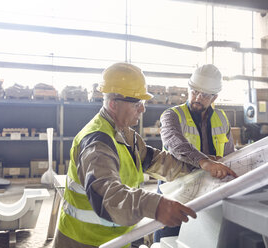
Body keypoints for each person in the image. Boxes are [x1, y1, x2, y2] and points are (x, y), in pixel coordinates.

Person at [54, 62, 199, 248]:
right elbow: (108, 198)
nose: (143, 109)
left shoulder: (125, 134)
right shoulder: (97, 143)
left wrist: (199, 168)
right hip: (84, 241)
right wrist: (155, 205)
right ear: (113, 104)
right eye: (138, 103)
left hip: (115, 241)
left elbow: (158, 161)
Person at [154, 64, 237, 242]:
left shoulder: (222, 119)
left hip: (208, 197)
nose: (198, 98)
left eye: (205, 95)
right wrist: (205, 162)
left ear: (215, 96)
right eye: (194, 91)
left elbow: (230, 154)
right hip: (175, 196)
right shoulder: (172, 115)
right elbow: (176, 143)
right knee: (167, 241)